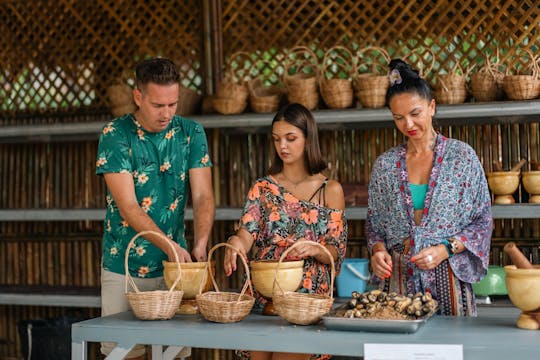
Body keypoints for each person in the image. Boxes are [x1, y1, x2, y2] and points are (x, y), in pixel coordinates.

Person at [96, 57, 215, 359]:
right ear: (138, 96)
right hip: (123, 266)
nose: (167, 114)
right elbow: (129, 207)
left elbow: (203, 196)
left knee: (175, 354)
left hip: (175, 270)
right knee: (123, 355)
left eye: (173, 104)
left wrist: (200, 243)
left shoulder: (192, 133)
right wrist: (171, 246)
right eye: (158, 105)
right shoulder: (116, 134)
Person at [366, 59, 493, 317]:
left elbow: (483, 221)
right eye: (398, 118)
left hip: (449, 276)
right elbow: (374, 224)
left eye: (415, 114)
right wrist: (377, 251)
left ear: (432, 107)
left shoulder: (462, 157)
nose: (408, 125)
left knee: (452, 352)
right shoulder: (385, 165)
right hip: (398, 282)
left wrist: (445, 249)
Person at [224, 103, 348, 360]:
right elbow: (247, 232)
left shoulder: (330, 189)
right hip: (265, 296)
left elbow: (336, 251)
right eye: (277, 139)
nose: (283, 146)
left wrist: (318, 249)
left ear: (308, 139)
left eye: (291, 138)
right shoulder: (262, 188)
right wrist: (235, 243)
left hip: (307, 302)